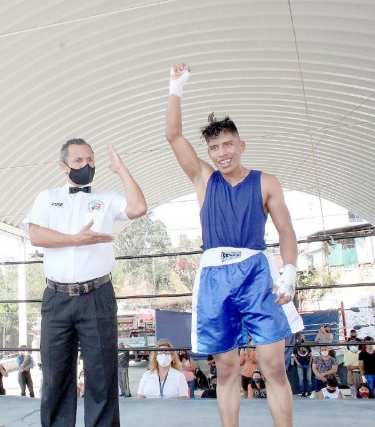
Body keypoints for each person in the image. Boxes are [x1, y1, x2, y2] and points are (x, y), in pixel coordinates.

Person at [165, 63, 304, 427]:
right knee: (226, 369)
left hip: (257, 274)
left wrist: (289, 273)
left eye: (228, 144)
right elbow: (174, 136)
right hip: (214, 277)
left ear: (241, 145)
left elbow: (287, 231)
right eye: (214, 147)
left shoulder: (266, 181)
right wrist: (176, 87)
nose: (222, 152)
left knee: (273, 366)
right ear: (209, 152)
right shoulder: (204, 178)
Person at [23, 138, 147, 427]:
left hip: (98, 296)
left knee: (102, 377)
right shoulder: (47, 197)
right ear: (63, 165)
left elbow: (138, 207)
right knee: (54, 376)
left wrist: (121, 168)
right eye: (78, 161)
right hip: (56, 298)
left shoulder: (105, 198)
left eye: (90, 160)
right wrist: (75, 240)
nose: (86, 165)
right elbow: (36, 235)